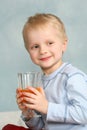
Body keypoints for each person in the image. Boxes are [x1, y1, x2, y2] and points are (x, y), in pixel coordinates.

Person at [15, 13, 87, 130]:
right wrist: (28, 113)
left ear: (63, 45)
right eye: (35, 46)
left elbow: (84, 113)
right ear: (29, 51)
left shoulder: (72, 77)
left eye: (50, 43)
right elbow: (42, 126)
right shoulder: (40, 83)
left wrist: (47, 107)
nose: (43, 50)